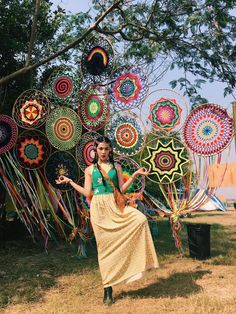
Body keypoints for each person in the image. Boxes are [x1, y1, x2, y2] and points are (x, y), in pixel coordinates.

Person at [56, 136, 159, 305]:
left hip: (114, 204)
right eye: (100, 149)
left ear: (110, 150)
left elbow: (120, 189)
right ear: (95, 150)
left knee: (140, 219)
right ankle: (108, 289)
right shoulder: (89, 170)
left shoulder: (116, 166)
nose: (103, 152)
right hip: (98, 207)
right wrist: (70, 182)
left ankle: (133, 267)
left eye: (106, 149)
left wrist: (133, 175)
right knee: (104, 248)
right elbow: (86, 192)